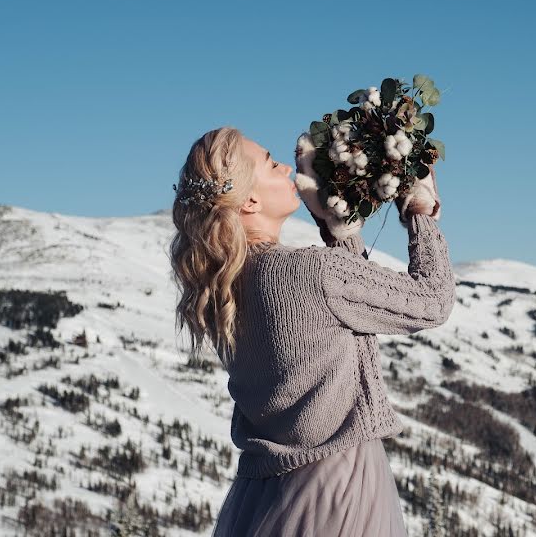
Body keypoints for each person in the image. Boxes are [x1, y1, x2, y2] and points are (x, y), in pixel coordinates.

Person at [169, 126, 454, 536]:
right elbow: (432, 301)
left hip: (268, 494)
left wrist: (339, 232)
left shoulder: (225, 286)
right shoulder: (307, 273)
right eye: (270, 163)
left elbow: (341, 312)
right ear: (249, 199)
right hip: (339, 491)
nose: (287, 167)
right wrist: (420, 212)